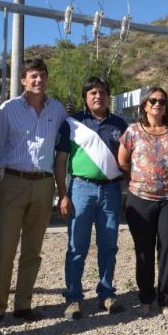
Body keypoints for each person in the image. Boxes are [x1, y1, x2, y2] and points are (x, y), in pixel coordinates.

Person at [0, 58, 67, 328]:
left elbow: (68, 140)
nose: (38, 80)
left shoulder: (57, 109)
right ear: (23, 80)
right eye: (33, 76)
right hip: (14, 182)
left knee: (33, 249)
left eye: (42, 75)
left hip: (44, 184)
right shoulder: (8, 109)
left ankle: (23, 305)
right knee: (5, 248)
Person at [55, 76, 128, 319]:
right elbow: (61, 160)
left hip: (111, 191)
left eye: (102, 92)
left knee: (109, 245)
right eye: (92, 93)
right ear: (85, 98)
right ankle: (74, 298)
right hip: (80, 189)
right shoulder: (72, 123)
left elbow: (128, 160)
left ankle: (106, 293)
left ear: (109, 96)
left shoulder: (120, 124)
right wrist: (62, 194)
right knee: (77, 247)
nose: (98, 96)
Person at [118, 87, 168, 316]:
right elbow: (123, 161)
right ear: (144, 105)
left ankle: (166, 299)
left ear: (166, 105)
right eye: (152, 100)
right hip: (140, 199)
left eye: (161, 101)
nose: (157, 104)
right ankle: (146, 297)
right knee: (143, 250)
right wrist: (142, 179)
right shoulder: (132, 132)